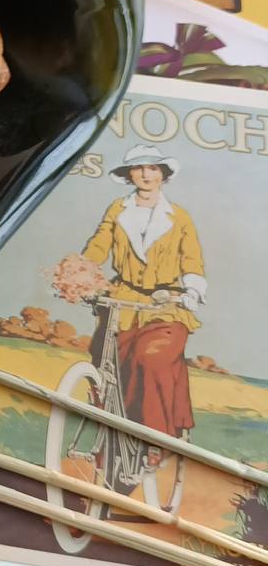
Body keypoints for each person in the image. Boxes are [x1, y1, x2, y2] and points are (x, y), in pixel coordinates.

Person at [80, 143, 207, 461]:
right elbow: (99, 244)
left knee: (150, 360)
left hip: (165, 304)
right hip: (122, 301)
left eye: (152, 168)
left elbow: (192, 261)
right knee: (104, 359)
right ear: (129, 175)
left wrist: (190, 292)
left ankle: (157, 439)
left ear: (163, 175)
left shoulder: (178, 218)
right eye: (138, 168)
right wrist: (81, 272)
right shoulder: (117, 210)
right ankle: (109, 436)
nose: (146, 174)